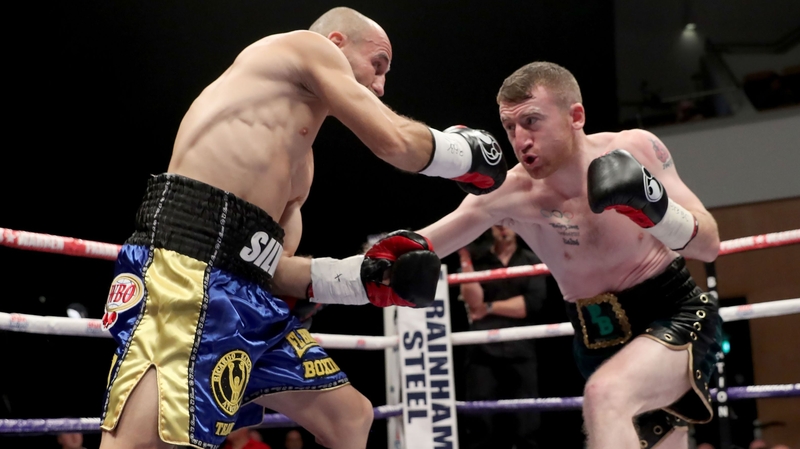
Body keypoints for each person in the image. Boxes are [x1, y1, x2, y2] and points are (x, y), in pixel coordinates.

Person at [98, 6, 507, 449]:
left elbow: (272, 268)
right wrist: (461, 151)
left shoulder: (300, 167)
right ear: (336, 43)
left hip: (245, 295)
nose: (381, 85)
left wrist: (361, 278)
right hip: (184, 266)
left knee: (351, 417)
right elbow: (394, 142)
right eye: (378, 65)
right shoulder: (302, 46)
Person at [417, 61, 722, 449]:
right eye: (510, 127)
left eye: (531, 121)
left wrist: (656, 209)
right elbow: (414, 249)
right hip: (595, 339)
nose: (520, 139)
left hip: (674, 312)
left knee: (605, 396)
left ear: (575, 116)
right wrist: (328, 280)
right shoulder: (509, 192)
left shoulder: (634, 148)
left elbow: (708, 243)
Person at [457, 225, 547, 449]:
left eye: (509, 224)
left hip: (521, 348)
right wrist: (465, 259)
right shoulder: (477, 261)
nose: (504, 229)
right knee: (480, 423)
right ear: (491, 229)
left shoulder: (532, 259)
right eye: (499, 225)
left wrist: (488, 307)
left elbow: (529, 305)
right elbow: (472, 302)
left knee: (527, 423)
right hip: (482, 350)